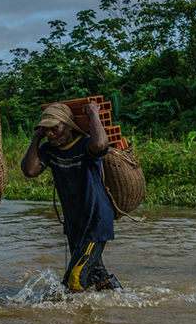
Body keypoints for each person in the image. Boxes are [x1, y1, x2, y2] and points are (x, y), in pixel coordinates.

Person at [20, 101, 122, 292]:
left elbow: (100, 143)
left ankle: (78, 320)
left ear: (68, 126)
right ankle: (124, 303)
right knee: (97, 275)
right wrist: (36, 135)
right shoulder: (49, 150)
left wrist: (93, 113)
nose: (50, 133)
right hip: (74, 223)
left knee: (75, 279)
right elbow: (30, 170)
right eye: (46, 129)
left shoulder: (85, 145)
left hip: (96, 220)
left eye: (54, 128)